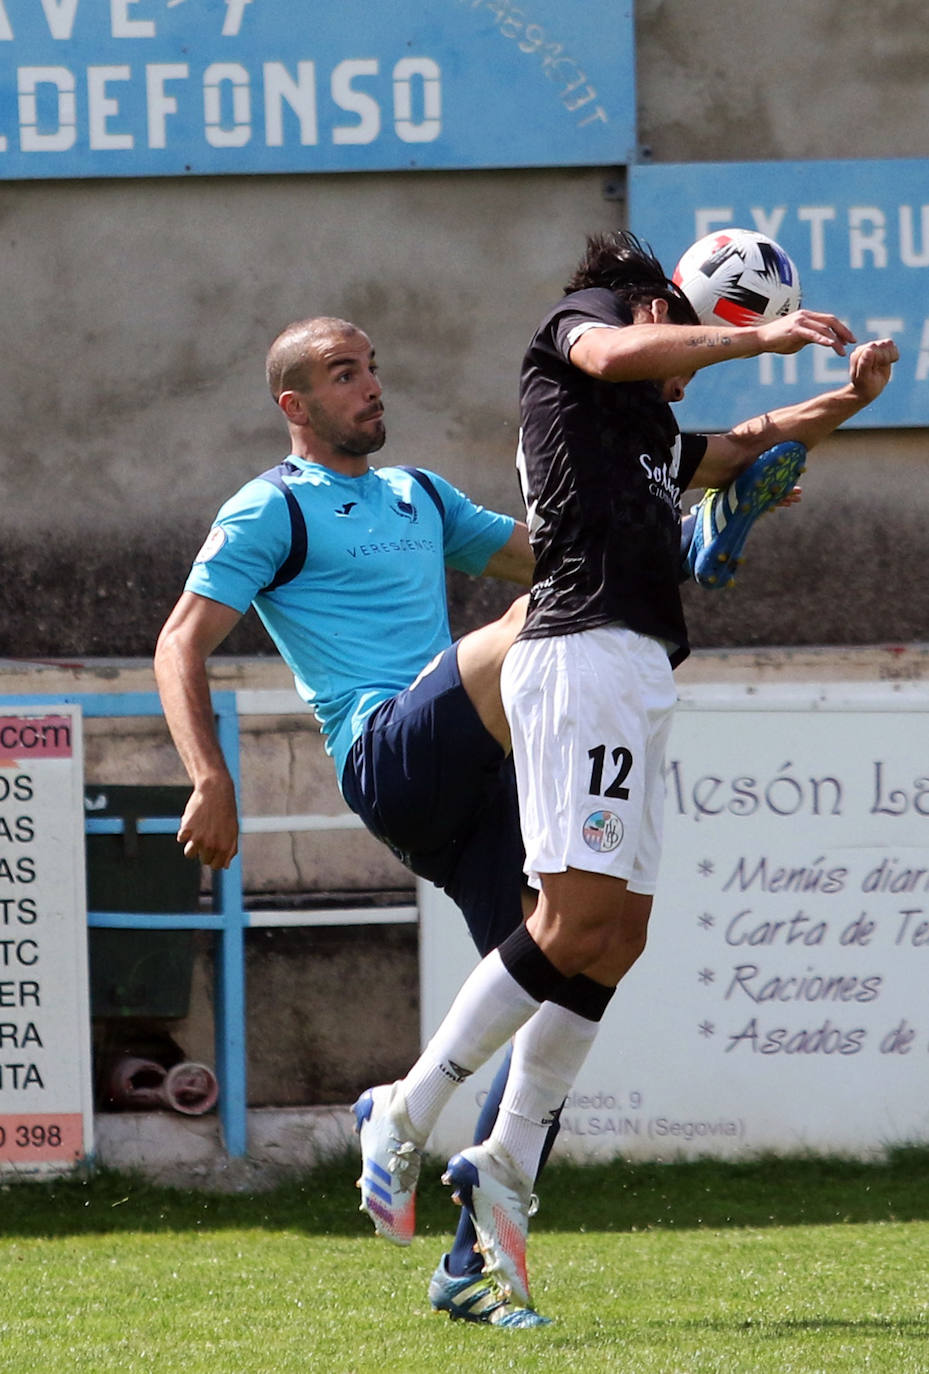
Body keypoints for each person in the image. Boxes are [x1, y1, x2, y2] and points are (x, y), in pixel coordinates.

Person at [154, 312, 804, 1328]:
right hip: (392, 759)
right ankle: (406, 1121)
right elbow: (179, 644)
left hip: (482, 775)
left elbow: (571, 559)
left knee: (571, 980)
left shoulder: (418, 494)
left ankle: (471, 1262)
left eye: (371, 367)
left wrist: (695, 517)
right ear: (295, 405)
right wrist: (209, 777)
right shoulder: (268, 511)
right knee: (526, 626)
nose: (370, 386)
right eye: (342, 374)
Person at [352, 233, 899, 1321]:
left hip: (638, 663)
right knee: (568, 919)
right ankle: (405, 1115)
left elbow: (743, 445)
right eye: (696, 341)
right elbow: (612, 357)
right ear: (668, 300)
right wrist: (765, 338)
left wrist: (844, 399)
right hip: (580, 649)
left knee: (619, 934)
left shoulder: (641, 431)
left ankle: (504, 1168)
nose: (690, 372)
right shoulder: (579, 333)